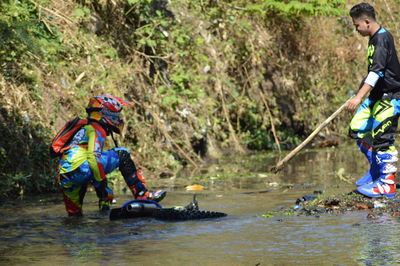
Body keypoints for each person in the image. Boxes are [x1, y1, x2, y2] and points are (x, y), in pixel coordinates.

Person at [58, 95, 166, 216]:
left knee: (74, 217)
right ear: (106, 114)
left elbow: (83, 161)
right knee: (122, 154)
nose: (118, 120)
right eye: (116, 116)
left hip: (66, 176)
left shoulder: (82, 128)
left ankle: (100, 208)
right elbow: (93, 159)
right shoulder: (96, 129)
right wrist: (103, 189)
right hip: (83, 169)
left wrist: (103, 192)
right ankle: (143, 194)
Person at [347, 2, 400, 198]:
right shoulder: (374, 39)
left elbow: (377, 72)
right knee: (358, 128)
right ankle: (376, 171)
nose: (356, 29)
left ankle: (387, 185)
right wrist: (362, 93)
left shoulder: (382, 39)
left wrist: (358, 97)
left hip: (390, 97)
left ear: (367, 21)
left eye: (356, 25)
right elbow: (374, 71)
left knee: (383, 138)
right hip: (376, 96)